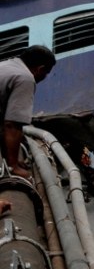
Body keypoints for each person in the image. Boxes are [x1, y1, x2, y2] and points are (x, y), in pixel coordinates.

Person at [0, 46, 55, 180]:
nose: (45, 76)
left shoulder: (7, 65)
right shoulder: (25, 78)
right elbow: (12, 125)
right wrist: (14, 166)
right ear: (40, 69)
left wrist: (9, 157)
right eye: (46, 72)